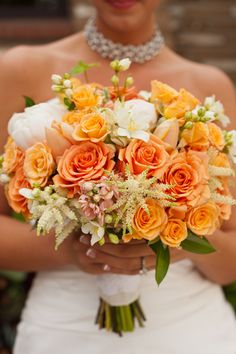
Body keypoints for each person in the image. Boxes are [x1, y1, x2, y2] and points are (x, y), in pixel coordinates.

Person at [0, 0, 236, 353]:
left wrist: (178, 243)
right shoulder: (23, 68)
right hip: (65, 329)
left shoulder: (207, 84)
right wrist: (70, 252)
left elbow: (230, 262)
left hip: (189, 330)